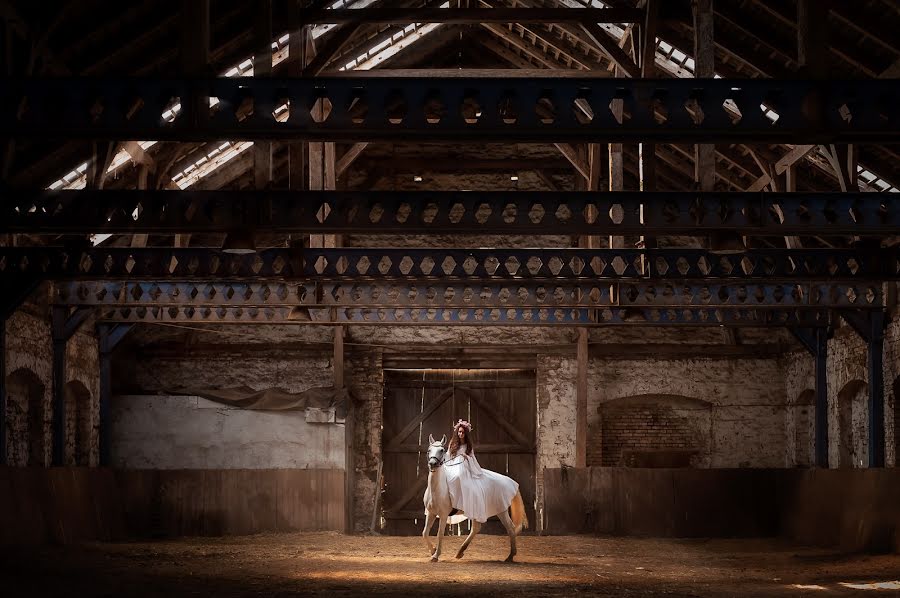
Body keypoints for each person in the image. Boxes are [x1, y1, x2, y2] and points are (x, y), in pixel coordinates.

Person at [443, 419, 519, 524]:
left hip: (464, 467)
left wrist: (466, 457)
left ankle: (458, 504)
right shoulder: (453, 443)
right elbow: (448, 455)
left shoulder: (468, 446)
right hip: (453, 465)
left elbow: (472, 458)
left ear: (466, 434)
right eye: (459, 432)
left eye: (463, 432)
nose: (460, 434)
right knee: (444, 478)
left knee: (458, 476)